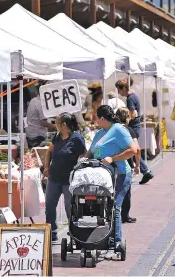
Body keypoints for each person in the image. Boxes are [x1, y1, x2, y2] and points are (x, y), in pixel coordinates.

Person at [84, 105, 138, 248]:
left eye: (96, 117)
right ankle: (103, 237)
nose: (95, 120)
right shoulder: (100, 132)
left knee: (114, 207)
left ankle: (116, 242)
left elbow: (133, 150)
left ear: (102, 118)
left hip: (119, 174)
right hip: (101, 177)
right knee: (100, 208)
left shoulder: (119, 129)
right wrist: (84, 159)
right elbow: (91, 151)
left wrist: (112, 159)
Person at [43, 113, 86, 241]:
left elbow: (84, 156)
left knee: (70, 208)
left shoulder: (77, 138)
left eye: (57, 123)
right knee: (49, 207)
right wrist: (46, 167)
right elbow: (49, 152)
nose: (55, 125)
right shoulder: (56, 137)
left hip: (69, 180)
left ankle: (74, 233)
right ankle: (52, 233)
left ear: (64, 125)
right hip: (54, 178)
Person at [116, 78, 154, 184]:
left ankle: (144, 171)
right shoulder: (133, 96)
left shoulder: (130, 99)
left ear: (124, 88)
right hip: (136, 126)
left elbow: (132, 114)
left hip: (133, 127)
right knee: (132, 150)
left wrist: (124, 119)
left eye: (119, 90)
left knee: (132, 150)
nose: (119, 93)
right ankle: (143, 170)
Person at [116, 107, 141, 224]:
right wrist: (138, 165)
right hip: (126, 164)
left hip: (111, 164)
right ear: (127, 117)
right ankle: (124, 216)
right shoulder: (130, 130)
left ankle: (111, 215)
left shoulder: (112, 129)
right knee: (126, 191)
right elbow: (137, 149)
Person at [26, 81, 56, 148]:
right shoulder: (42, 103)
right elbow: (43, 123)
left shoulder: (34, 100)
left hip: (31, 134)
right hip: (37, 136)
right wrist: (56, 127)